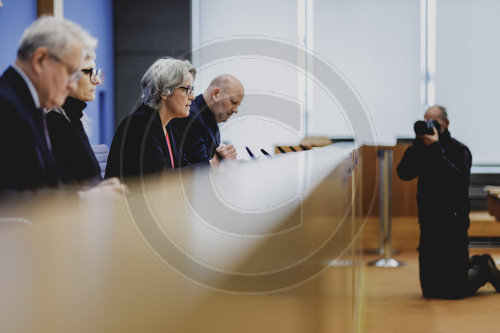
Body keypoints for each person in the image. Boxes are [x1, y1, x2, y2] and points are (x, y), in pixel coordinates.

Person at [0, 16, 123, 199]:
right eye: (71, 72)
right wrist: (86, 198)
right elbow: (11, 197)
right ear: (40, 60)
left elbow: (39, 185)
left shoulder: (27, 104)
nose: (72, 85)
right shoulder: (6, 105)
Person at [397, 105, 500, 299]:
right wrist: (419, 145)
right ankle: (471, 265)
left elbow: (458, 180)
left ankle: (484, 267)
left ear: (446, 123)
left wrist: (436, 148)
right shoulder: (422, 148)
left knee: (454, 290)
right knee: (430, 291)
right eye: (426, 120)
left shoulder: (459, 149)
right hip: (428, 224)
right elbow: (404, 173)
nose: (430, 125)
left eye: (434, 122)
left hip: (453, 225)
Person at [105, 57, 196, 180]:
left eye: (192, 90)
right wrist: (211, 165)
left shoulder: (166, 125)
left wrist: (213, 164)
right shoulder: (140, 125)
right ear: (164, 91)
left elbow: (183, 168)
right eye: (187, 90)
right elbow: (161, 180)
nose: (193, 97)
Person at [46, 50, 103, 187]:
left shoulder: (74, 119)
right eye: (88, 72)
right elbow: (65, 188)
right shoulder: (56, 122)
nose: (97, 80)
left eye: (95, 72)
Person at [172, 74, 244, 167]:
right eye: (233, 102)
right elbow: (200, 169)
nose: (235, 110)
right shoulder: (191, 118)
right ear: (215, 94)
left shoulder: (210, 116)